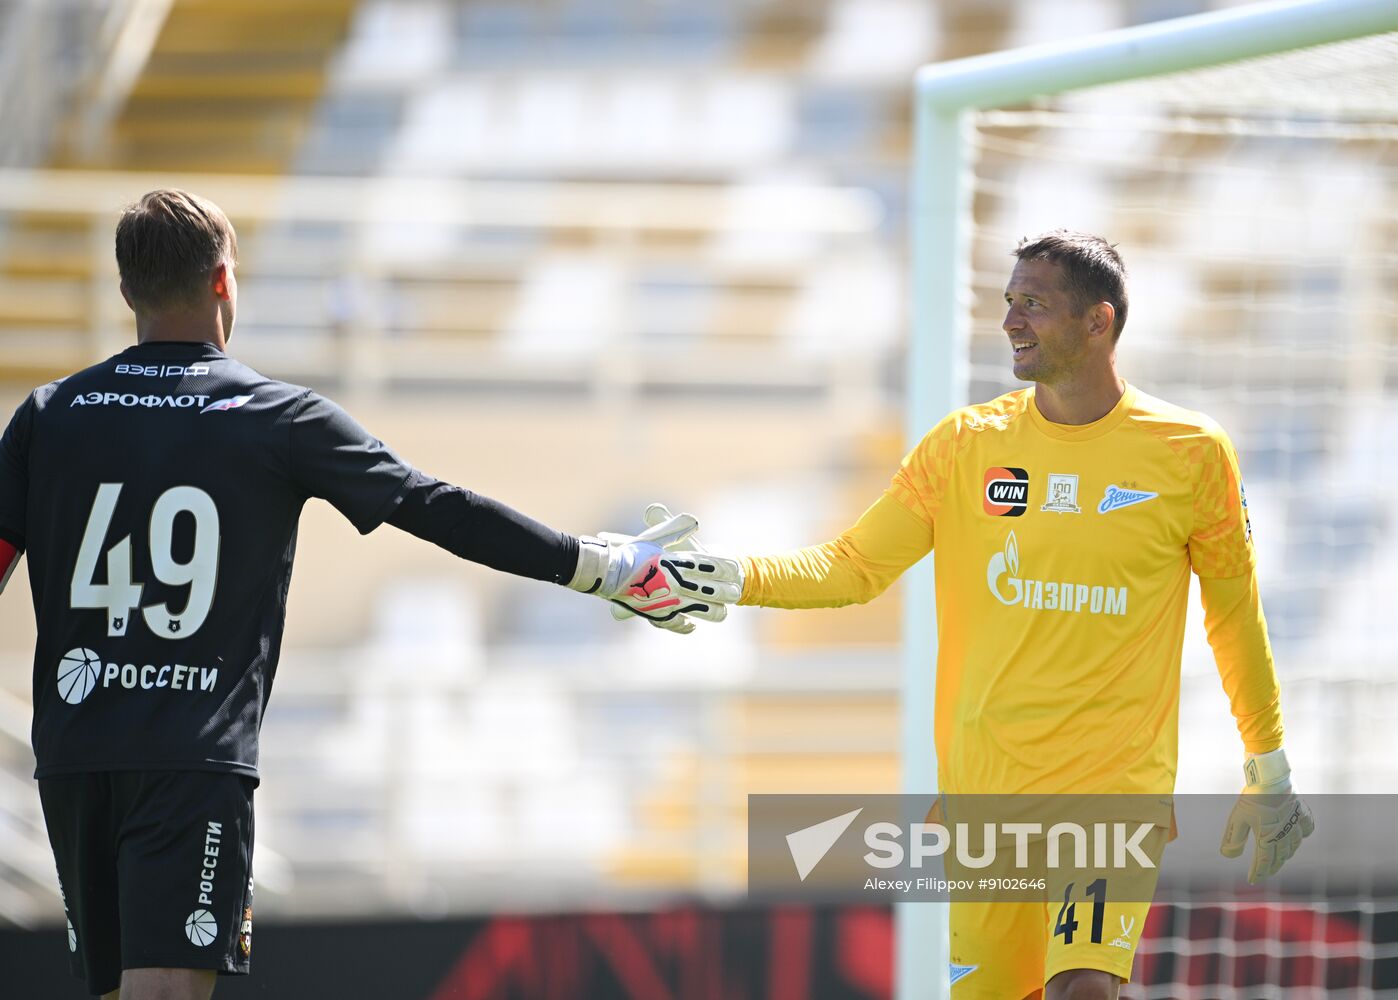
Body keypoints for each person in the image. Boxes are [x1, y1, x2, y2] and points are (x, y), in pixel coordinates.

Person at [0, 188, 743, 1000]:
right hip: (188, 760)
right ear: (223, 282)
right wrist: (594, 565)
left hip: (72, 759)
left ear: (125, 293)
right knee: (169, 993)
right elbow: (431, 506)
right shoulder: (274, 415)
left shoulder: (48, 415)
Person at [668, 231, 1314, 999]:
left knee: (1084, 987)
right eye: (1008, 302)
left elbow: (1232, 612)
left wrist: (1267, 764)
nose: (1011, 321)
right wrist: (719, 578)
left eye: (1033, 304)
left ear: (1098, 320)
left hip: (1110, 798)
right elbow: (849, 569)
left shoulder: (1191, 452)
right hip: (984, 806)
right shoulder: (963, 447)